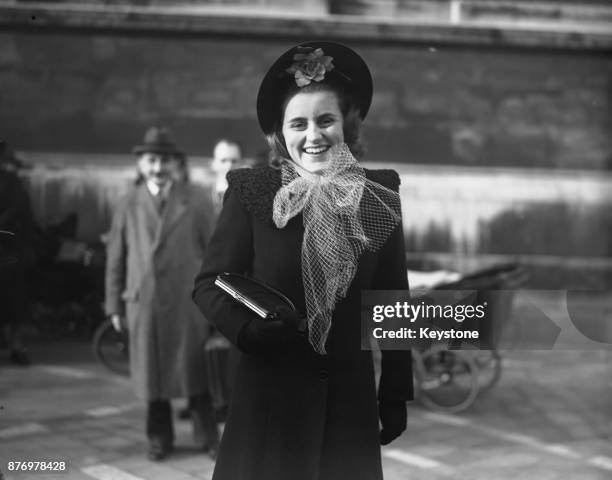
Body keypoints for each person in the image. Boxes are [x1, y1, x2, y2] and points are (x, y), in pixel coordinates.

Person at [192, 42, 413, 480]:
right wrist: (249, 331)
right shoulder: (251, 191)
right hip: (269, 404)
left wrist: (394, 393)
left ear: (346, 126)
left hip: (347, 407)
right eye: (299, 123)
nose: (313, 136)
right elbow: (209, 283)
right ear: (281, 133)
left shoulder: (378, 196)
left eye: (326, 120)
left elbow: (393, 302)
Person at [105, 126, 219, 461]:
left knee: (197, 373)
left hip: (188, 303)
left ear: (175, 163)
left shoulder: (195, 199)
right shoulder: (128, 203)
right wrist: (113, 303)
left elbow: (213, 253)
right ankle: (159, 438)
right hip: (146, 304)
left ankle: (208, 436)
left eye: (164, 160)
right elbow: (116, 258)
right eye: (151, 160)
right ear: (141, 164)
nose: (158, 167)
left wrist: (215, 301)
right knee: (154, 381)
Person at [0, 141, 34, 365]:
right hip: (11, 249)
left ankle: (15, 346)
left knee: (14, 303)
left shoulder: (12, 183)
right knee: (14, 303)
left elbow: (24, 215)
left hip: (9, 250)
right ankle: (15, 347)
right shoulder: (13, 183)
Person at [209, 139, 242, 216]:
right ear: (213, 163)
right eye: (223, 160)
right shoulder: (201, 196)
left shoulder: (248, 198)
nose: (229, 165)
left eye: (234, 161)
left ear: (241, 163)